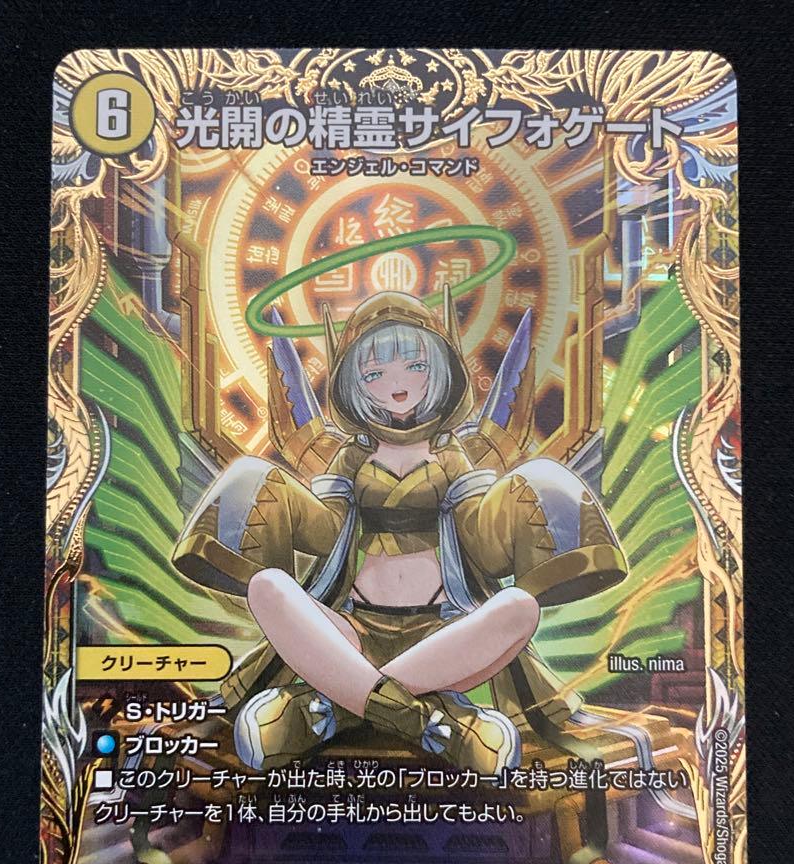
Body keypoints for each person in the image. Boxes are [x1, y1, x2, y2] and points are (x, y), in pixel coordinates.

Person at [173, 288, 627, 776]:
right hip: (350, 630)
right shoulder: (349, 457)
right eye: (375, 374)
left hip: (443, 633)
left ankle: (335, 707)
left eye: (415, 367)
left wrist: (506, 501)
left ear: (442, 371)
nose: (397, 386)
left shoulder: (452, 456)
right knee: (269, 587)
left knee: (519, 607)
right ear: (352, 383)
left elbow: (485, 547)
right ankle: (434, 723)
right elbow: (325, 535)